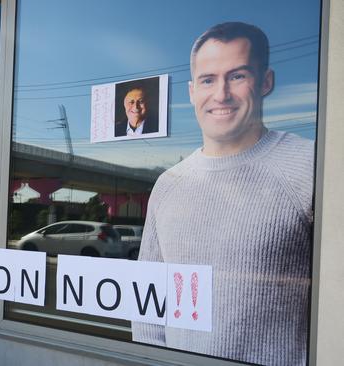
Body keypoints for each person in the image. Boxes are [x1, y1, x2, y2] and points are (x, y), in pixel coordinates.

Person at [132, 22, 313, 366]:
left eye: (238, 76)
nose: (221, 94)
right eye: (208, 79)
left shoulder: (309, 167)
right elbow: (148, 311)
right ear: (190, 91)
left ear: (266, 82)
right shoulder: (168, 185)